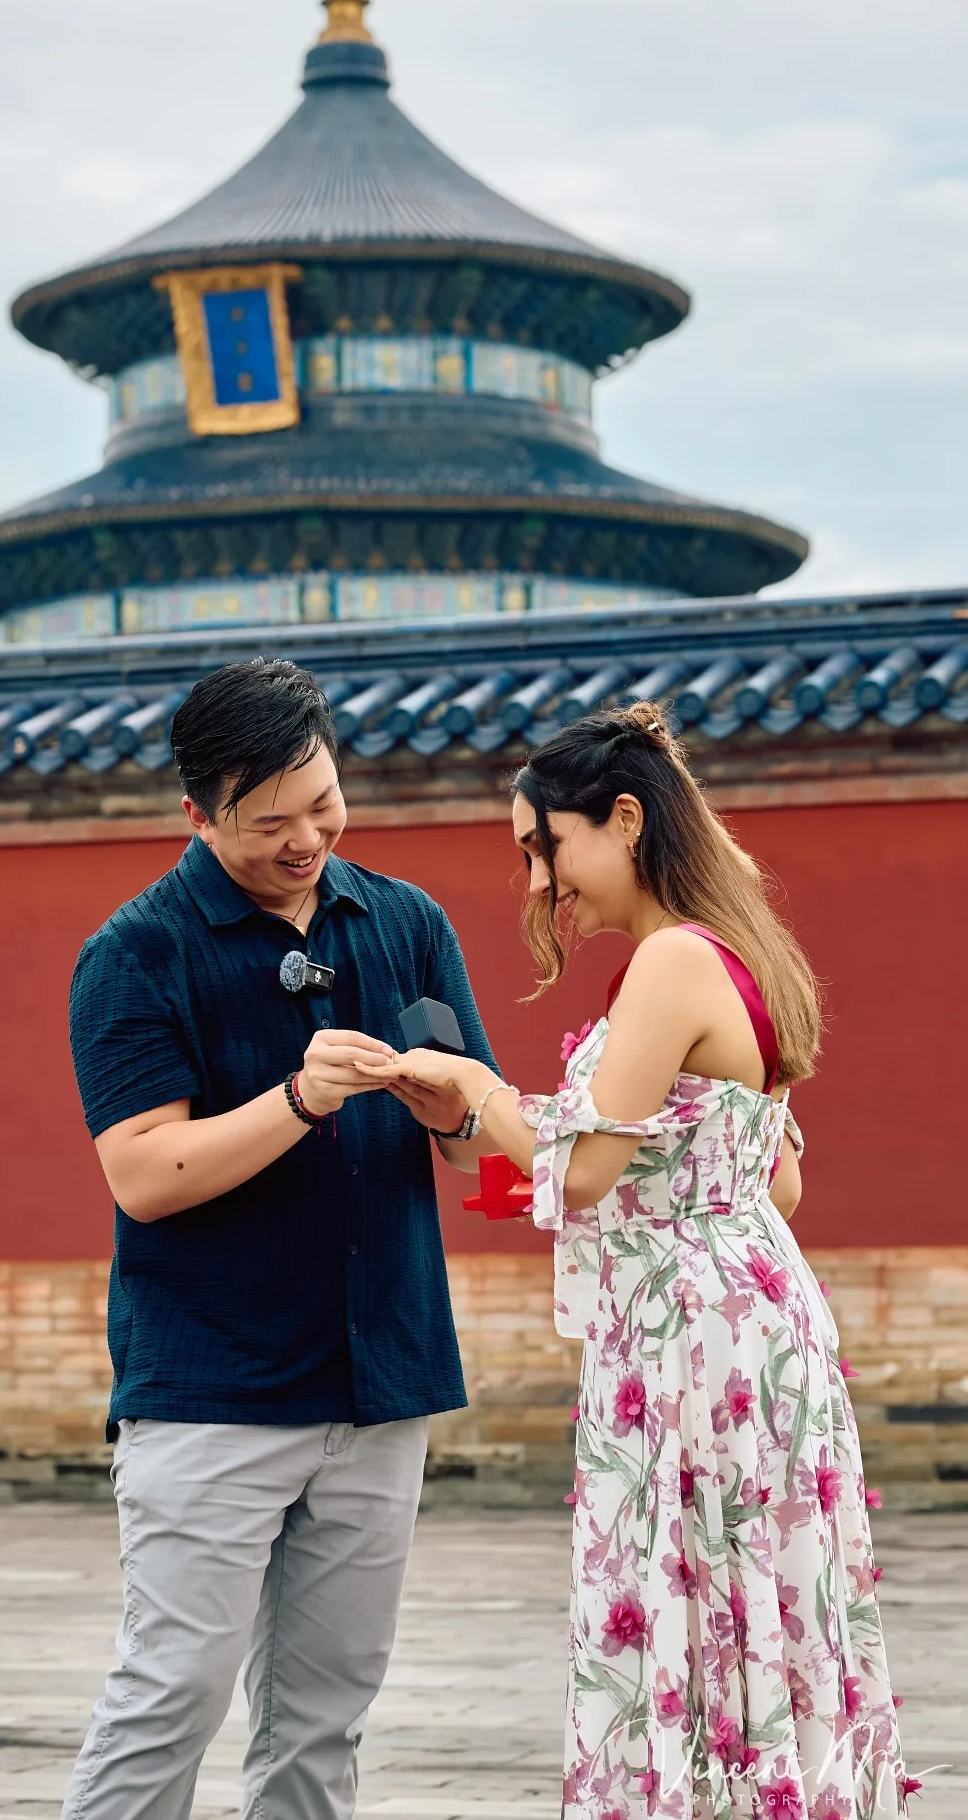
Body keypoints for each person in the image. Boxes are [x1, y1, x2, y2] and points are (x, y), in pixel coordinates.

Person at [354, 702, 913, 1819]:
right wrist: (505, 1126)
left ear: (620, 817)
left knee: (696, 1596)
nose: (534, 879)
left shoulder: (669, 960)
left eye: (541, 843)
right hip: (756, 1315)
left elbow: (584, 1168)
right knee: (755, 1600)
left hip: (697, 1342)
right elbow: (778, 1183)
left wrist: (472, 1088)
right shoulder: (744, 952)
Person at [60, 656, 497, 1820]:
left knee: (324, 1712)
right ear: (197, 813)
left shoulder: (405, 925)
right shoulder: (135, 952)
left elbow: (476, 1154)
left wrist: (444, 1095)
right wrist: (299, 1098)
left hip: (381, 1379)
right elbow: (144, 1173)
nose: (307, 839)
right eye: (269, 824)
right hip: (211, 1387)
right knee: (171, 1691)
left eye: (324, 805)